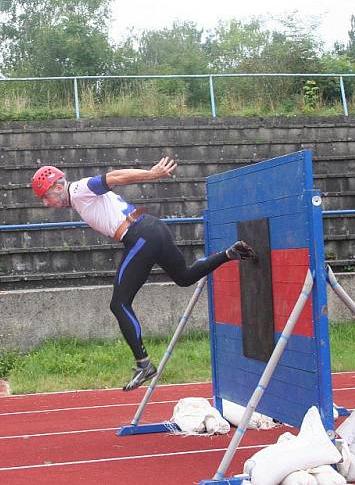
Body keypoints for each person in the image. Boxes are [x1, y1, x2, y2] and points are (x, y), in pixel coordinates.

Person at [31, 157, 257, 391]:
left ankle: (144, 364)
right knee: (185, 277)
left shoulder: (78, 189)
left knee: (119, 304)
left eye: (45, 197)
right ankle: (231, 253)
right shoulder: (78, 199)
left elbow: (115, 177)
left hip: (140, 234)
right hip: (152, 227)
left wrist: (152, 174)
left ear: (58, 187)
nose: (46, 203)